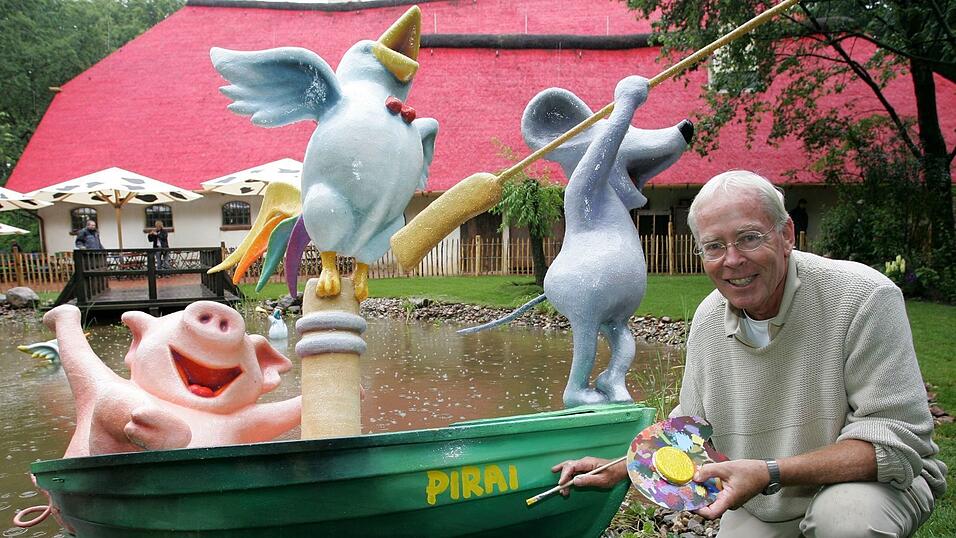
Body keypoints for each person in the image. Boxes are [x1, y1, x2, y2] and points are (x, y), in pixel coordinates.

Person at [553, 170, 946, 537]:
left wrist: (768, 471)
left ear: (787, 233)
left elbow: (894, 444)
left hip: (871, 484)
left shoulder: (863, 297)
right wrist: (618, 468)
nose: (733, 260)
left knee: (843, 522)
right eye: (714, 246)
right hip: (765, 494)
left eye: (749, 238)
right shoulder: (709, 319)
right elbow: (691, 431)